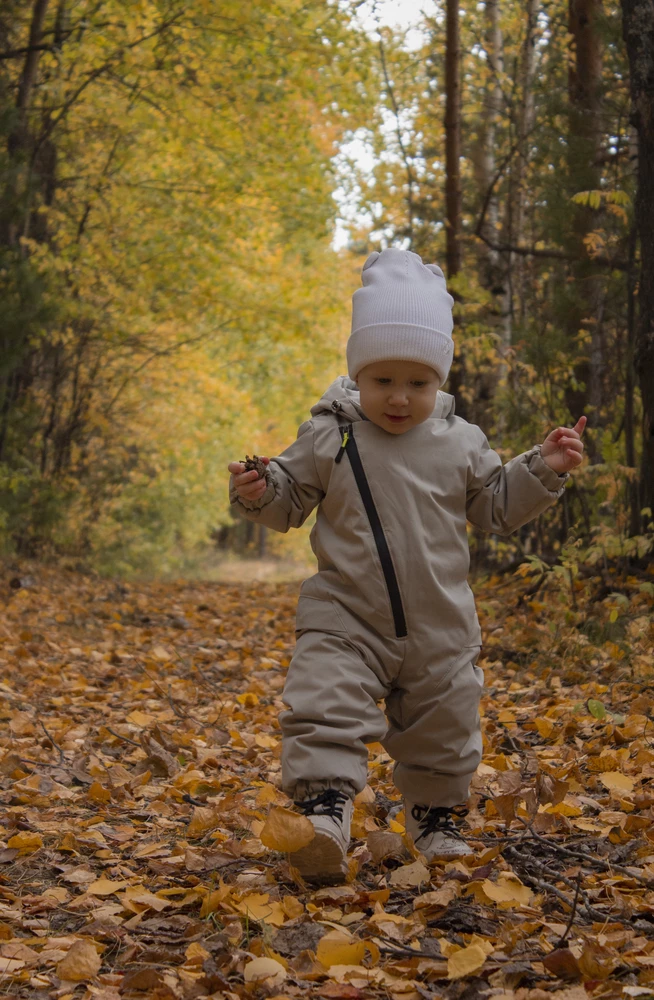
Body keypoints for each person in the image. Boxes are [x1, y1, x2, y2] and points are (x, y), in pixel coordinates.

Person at [227, 248, 586, 883]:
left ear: (439, 381)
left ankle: (436, 817)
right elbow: (288, 498)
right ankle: (323, 813)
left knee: (445, 728)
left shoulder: (460, 442)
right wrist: (260, 490)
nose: (399, 398)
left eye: (418, 383)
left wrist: (542, 469)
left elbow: (496, 505)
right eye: (383, 380)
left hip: (440, 624)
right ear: (358, 375)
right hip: (345, 614)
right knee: (323, 705)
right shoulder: (330, 435)